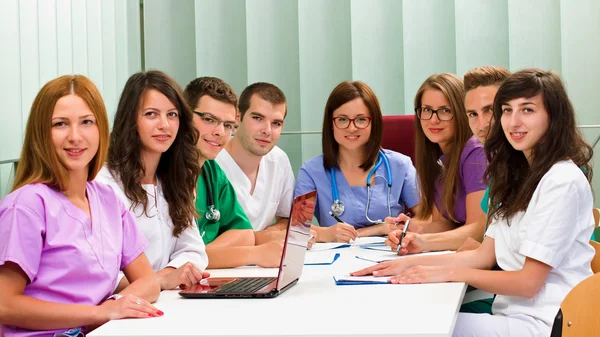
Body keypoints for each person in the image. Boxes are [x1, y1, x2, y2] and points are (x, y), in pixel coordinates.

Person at [353, 69, 595, 337]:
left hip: (548, 322)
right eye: (506, 110)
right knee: (402, 319)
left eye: (527, 110)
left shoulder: (562, 180)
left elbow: (528, 283)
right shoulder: (512, 177)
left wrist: (447, 272)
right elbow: (483, 256)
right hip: (511, 313)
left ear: (554, 116)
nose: (513, 122)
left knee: (417, 328)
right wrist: (405, 265)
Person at [0, 75, 162, 337]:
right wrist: (99, 314)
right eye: (60, 124)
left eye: (87, 122)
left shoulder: (108, 199)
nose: (75, 136)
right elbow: (4, 304)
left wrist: (113, 307)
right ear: (41, 133)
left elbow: (148, 281)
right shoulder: (27, 205)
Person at [95, 70, 209, 291]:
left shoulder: (172, 180)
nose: (164, 124)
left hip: (164, 300)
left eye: (172, 114)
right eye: (151, 114)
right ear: (130, 119)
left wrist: (167, 277)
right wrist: (158, 281)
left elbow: (194, 250)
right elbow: (102, 272)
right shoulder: (104, 184)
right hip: (118, 310)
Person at [293, 81, 420, 243]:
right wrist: (325, 234)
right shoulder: (312, 171)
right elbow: (295, 228)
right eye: (343, 119)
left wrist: (393, 228)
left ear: (373, 123)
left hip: (389, 256)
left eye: (360, 119)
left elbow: (429, 219)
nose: (352, 128)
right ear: (331, 123)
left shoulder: (400, 166)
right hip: (333, 262)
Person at [183, 77, 285, 268]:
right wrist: (254, 255)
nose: (220, 132)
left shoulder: (212, 172)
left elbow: (244, 234)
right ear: (184, 115)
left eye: (228, 125)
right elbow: (177, 260)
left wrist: (204, 255)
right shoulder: (164, 175)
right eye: (209, 119)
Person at [385, 73, 487, 252]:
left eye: (445, 111)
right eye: (426, 110)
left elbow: (477, 233)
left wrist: (424, 242)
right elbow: (445, 223)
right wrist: (411, 232)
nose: (433, 119)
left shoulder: (475, 153)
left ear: (462, 113)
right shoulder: (438, 157)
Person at [215, 82, 315, 246]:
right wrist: (263, 239)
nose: (267, 130)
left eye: (276, 123)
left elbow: (287, 219)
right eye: (257, 118)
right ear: (237, 118)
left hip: (267, 261)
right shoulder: (213, 163)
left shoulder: (279, 160)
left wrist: (270, 234)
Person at [456, 66, 510, 253]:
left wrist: (484, 252)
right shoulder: (501, 167)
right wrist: (421, 242)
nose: (482, 124)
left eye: (489, 110)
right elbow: (481, 229)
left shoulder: (544, 168)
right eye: (473, 114)